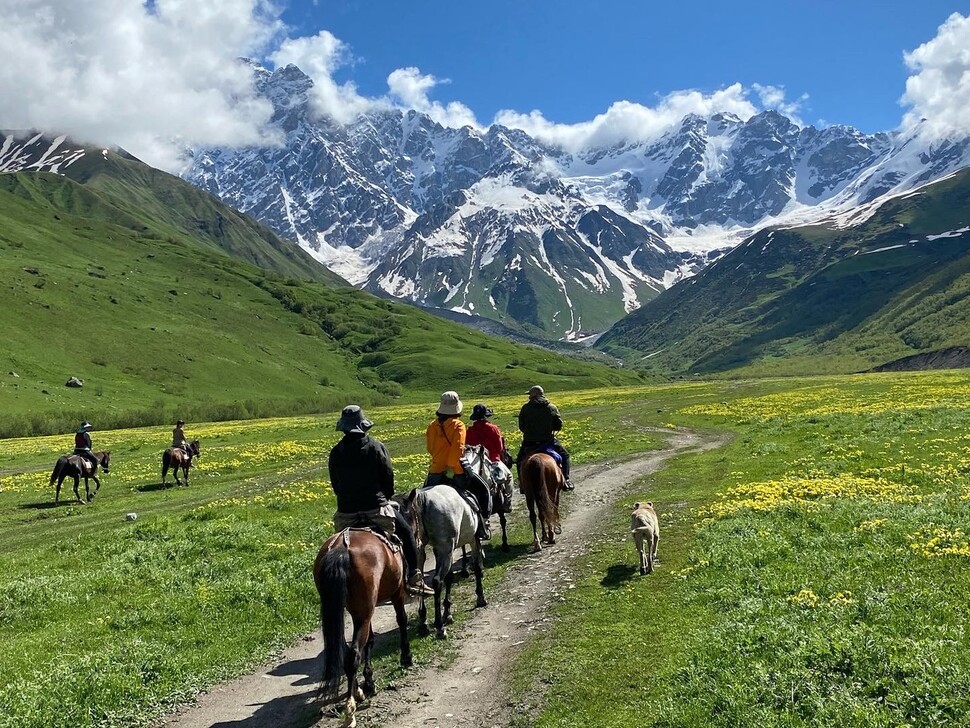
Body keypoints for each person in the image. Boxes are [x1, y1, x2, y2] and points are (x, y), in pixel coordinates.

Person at [328, 405, 432, 596]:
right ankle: (414, 577)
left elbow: (336, 484)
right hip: (375, 508)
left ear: (343, 428)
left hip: (346, 513)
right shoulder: (376, 447)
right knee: (408, 533)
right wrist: (385, 497)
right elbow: (388, 477)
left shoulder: (335, 453)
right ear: (363, 426)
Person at [425, 391, 491, 540]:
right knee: (481, 491)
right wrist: (450, 467)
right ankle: (481, 526)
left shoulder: (431, 426)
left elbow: (430, 448)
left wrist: (439, 460)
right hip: (455, 470)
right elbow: (458, 448)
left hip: (435, 470)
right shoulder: (458, 425)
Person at [517, 385, 573, 490]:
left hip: (529, 442)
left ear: (533, 395)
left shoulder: (525, 408)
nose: (528, 397)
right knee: (565, 456)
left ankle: (522, 483)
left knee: (520, 460)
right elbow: (558, 425)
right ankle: (566, 480)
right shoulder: (551, 407)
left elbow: (521, 426)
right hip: (548, 441)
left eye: (530, 395)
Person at [466, 403, 513, 513]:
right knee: (509, 477)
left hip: (474, 461)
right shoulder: (493, 428)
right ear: (486, 416)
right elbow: (500, 447)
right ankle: (507, 502)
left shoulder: (470, 431)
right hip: (492, 459)